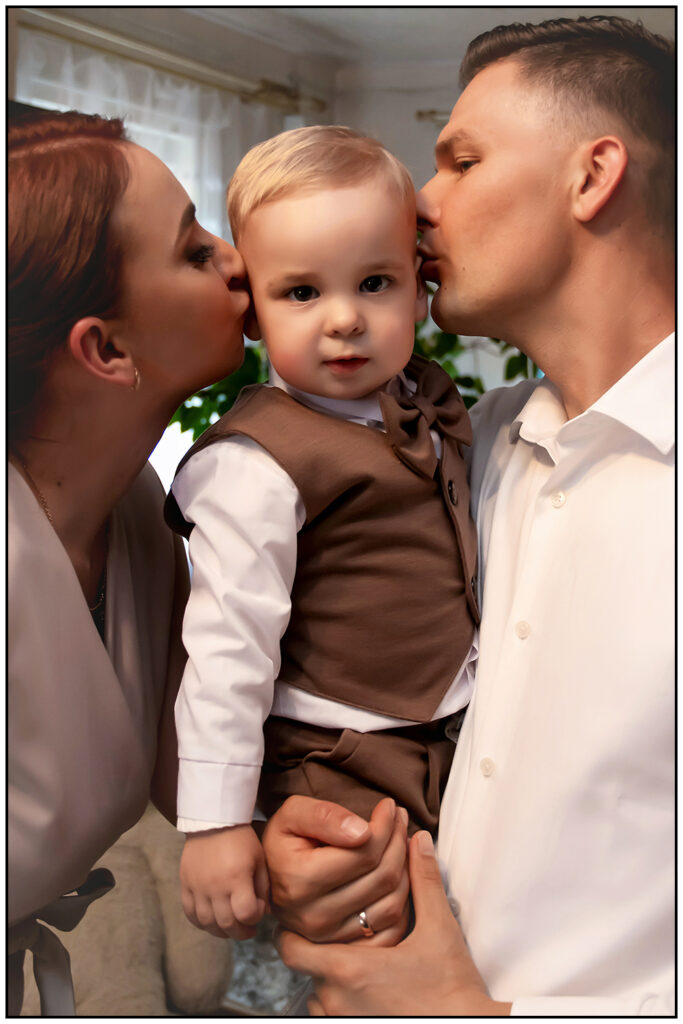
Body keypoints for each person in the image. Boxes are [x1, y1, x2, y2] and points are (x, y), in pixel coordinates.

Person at [265, 14, 675, 1015]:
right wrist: (316, 832)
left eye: (460, 160)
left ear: (591, 176)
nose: (417, 203)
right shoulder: (459, 450)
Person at [163, 126, 479, 941]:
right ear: (254, 313)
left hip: (450, 730)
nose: (343, 319)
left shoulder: (426, 405)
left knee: (468, 935)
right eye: (301, 292)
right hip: (333, 756)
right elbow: (228, 645)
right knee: (374, 952)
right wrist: (215, 823)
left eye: (374, 282)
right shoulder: (255, 461)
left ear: (418, 288)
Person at [8, 109, 250, 1015]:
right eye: (194, 250)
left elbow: (192, 773)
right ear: (105, 349)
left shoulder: (143, 507)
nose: (238, 261)